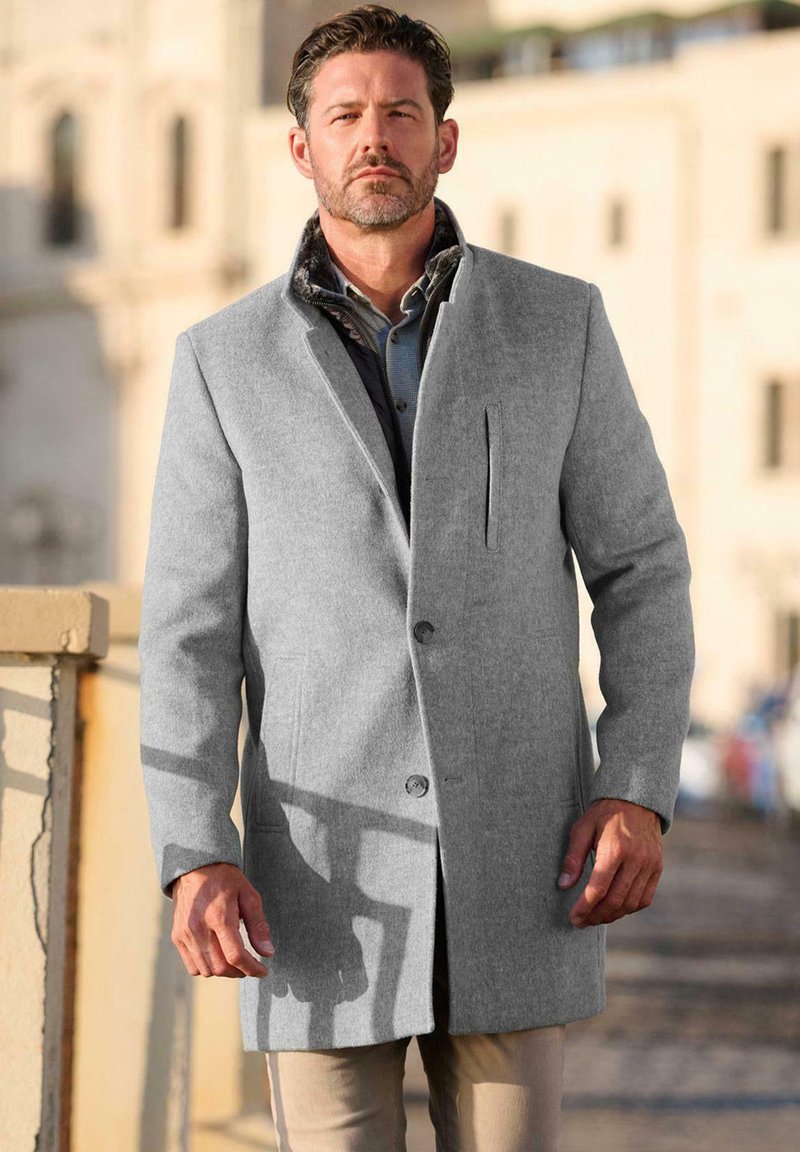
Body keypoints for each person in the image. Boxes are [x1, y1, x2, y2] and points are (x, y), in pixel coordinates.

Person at [138, 6, 696, 1149]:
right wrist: (195, 850)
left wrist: (636, 783)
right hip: (316, 890)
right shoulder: (220, 364)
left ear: (444, 141)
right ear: (300, 146)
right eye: (344, 115)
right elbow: (187, 635)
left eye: (400, 112)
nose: (372, 137)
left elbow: (641, 569)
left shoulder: (557, 326)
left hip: (521, 870)